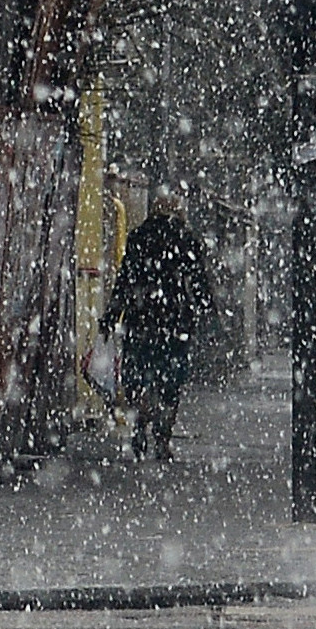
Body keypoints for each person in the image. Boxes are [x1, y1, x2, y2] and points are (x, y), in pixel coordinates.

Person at [99, 190, 213, 463]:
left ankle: (140, 422)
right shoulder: (187, 239)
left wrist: (111, 317)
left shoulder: (139, 237)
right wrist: (206, 307)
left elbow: (125, 280)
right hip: (175, 321)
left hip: (141, 319)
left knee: (138, 376)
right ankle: (163, 440)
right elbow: (198, 282)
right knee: (171, 383)